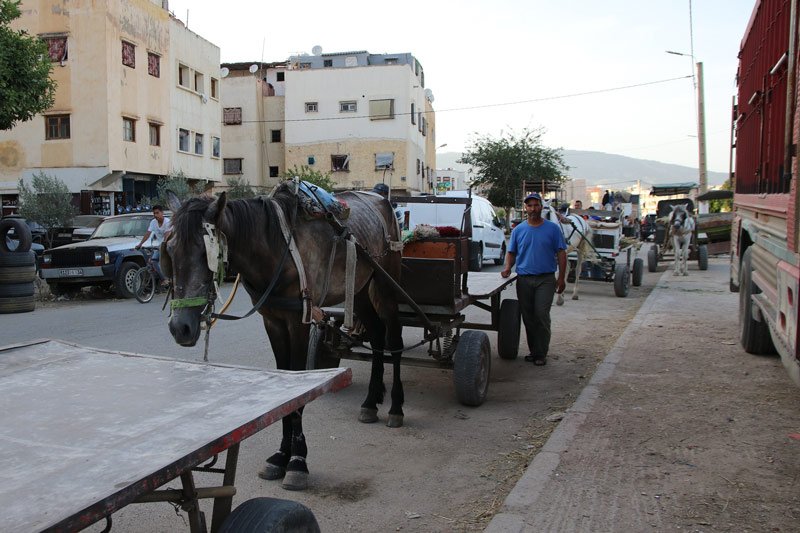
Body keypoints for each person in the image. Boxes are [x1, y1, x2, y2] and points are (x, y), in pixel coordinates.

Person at [501, 192, 567, 365]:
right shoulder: (519, 230)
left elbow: (561, 253)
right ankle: (534, 350)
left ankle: (541, 353)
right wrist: (508, 267)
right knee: (528, 317)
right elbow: (511, 252)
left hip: (545, 279)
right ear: (525, 208)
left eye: (536, 205)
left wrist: (561, 278)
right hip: (524, 279)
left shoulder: (552, 229)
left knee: (541, 314)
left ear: (541, 206)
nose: (533, 208)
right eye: (529, 205)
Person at [135, 205, 172, 285]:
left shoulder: (167, 222)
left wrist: (162, 245)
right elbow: (148, 234)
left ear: (162, 213)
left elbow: (167, 236)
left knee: (155, 260)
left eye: (157, 213)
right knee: (152, 261)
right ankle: (160, 280)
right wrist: (140, 244)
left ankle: (165, 279)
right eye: (154, 213)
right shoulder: (153, 222)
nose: (155, 215)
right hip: (160, 245)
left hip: (169, 244)